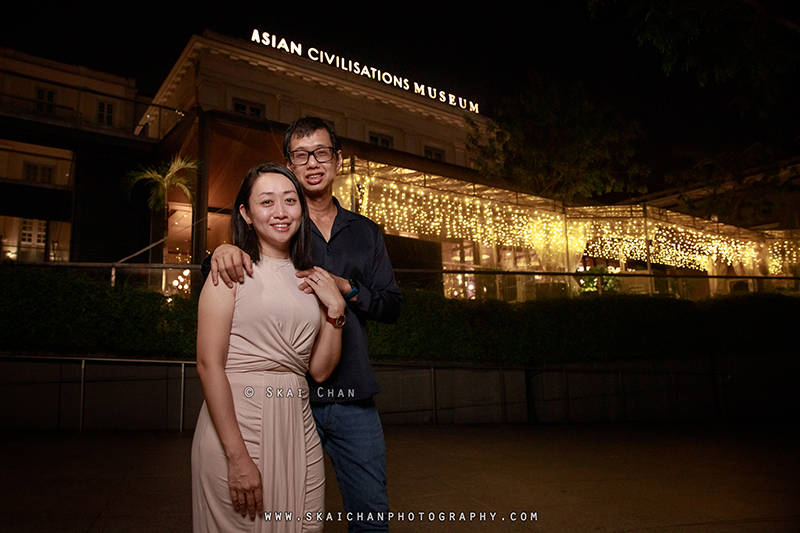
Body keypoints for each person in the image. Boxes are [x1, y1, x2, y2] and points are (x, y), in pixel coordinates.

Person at [209, 117, 402, 532]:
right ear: (288, 165)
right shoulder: (283, 223)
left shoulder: (367, 233)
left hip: (352, 395)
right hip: (290, 401)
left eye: (321, 153)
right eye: (300, 155)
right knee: (279, 515)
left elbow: (391, 306)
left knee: (371, 517)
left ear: (338, 159)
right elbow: (241, 275)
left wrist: (346, 289)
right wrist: (223, 247)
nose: (312, 163)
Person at [192, 162, 346, 532]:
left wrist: (336, 311)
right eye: (267, 201)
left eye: (290, 200)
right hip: (238, 424)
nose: (281, 211)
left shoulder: (310, 278)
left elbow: (320, 371)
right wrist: (237, 456)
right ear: (245, 213)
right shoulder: (228, 270)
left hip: (299, 426)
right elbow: (208, 365)